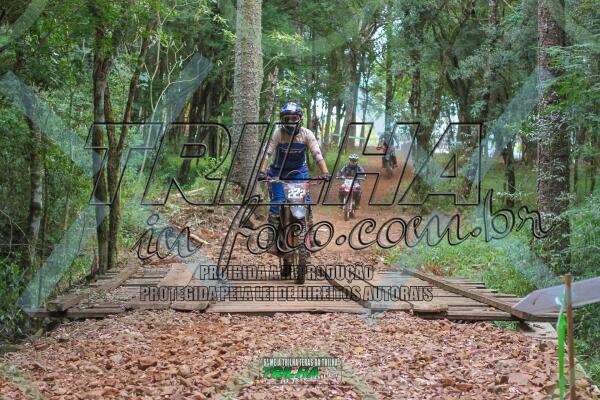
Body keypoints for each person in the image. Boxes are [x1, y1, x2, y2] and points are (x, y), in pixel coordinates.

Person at [257, 102, 331, 251]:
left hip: (298, 172)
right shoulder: (278, 133)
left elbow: (317, 154)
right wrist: (262, 172)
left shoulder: (307, 134)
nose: (290, 122)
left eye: (294, 118)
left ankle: (310, 233)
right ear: (282, 120)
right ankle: (272, 237)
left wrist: (325, 172)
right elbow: (267, 153)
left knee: (305, 202)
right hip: (278, 173)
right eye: (287, 119)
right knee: (277, 202)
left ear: (300, 119)